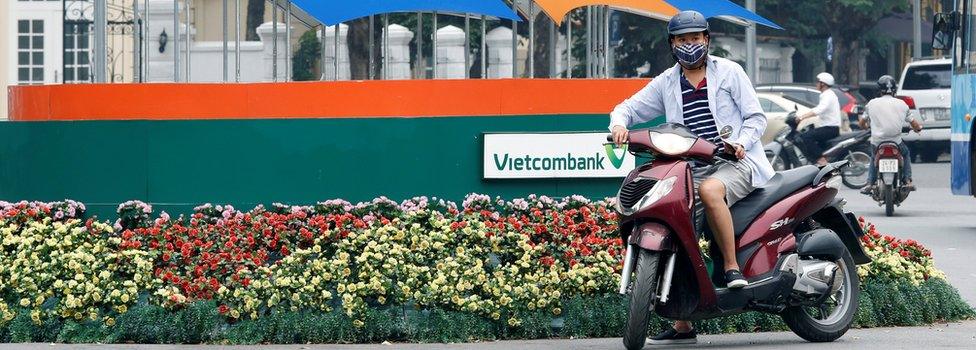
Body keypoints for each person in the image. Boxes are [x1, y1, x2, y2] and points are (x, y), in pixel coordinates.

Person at [608, 10, 773, 345]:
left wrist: (739, 143)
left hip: (734, 163)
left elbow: (756, 117)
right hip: (689, 169)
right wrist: (618, 126)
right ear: (673, 44)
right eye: (683, 39)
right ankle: (683, 324)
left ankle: (730, 268)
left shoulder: (729, 72)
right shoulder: (667, 82)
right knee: (675, 222)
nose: (690, 45)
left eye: (695, 38)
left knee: (712, 191)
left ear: (707, 40)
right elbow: (627, 108)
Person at [858, 75, 923, 194]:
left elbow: (862, 123)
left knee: (873, 157)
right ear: (894, 89)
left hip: (877, 142)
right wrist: (918, 129)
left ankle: (869, 183)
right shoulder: (902, 104)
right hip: (896, 142)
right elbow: (914, 124)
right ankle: (908, 180)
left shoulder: (871, 103)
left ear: (879, 90)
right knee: (906, 154)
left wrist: (866, 127)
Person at [796, 72, 844, 165]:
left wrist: (802, 117)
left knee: (805, 137)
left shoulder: (827, 95)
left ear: (823, 84)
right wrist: (802, 114)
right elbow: (817, 109)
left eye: (818, 82)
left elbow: (819, 110)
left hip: (830, 129)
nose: (816, 84)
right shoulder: (827, 94)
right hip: (828, 127)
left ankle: (821, 159)